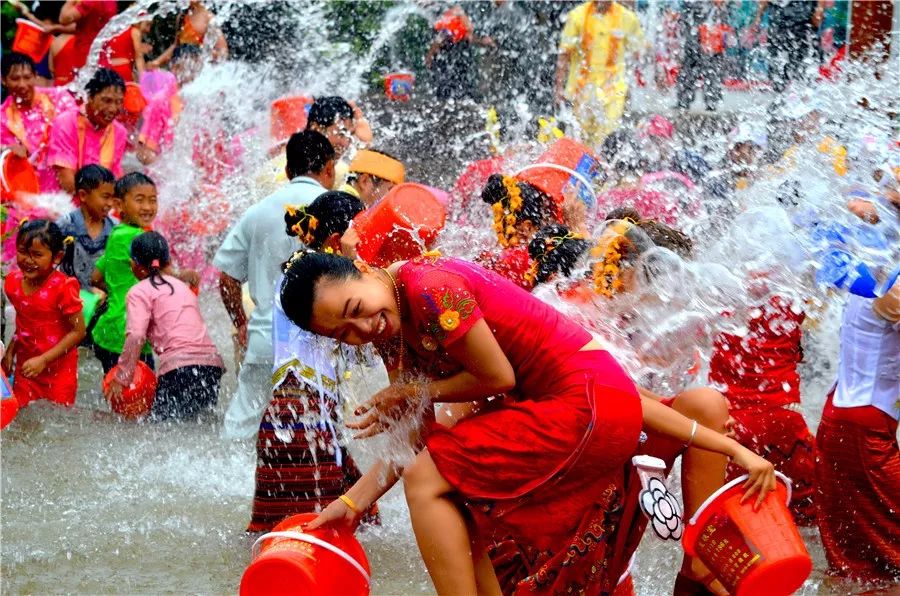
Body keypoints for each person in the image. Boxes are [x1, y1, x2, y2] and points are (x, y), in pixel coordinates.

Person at [280, 252, 775, 594]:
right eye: (343, 334)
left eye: (355, 310)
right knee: (442, 483)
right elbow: (417, 436)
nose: (362, 329)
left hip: (584, 409)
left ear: (364, 268)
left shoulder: (431, 289)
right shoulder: (392, 323)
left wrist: (415, 392)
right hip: (583, 411)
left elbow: (497, 376)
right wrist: (352, 503)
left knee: (432, 479)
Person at [247, 191, 373, 531]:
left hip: (298, 418)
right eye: (361, 235)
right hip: (304, 422)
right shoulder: (314, 281)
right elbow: (365, 344)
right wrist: (354, 263)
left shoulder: (300, 274)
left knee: (340, 521)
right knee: (324, 531)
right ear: (336, 240)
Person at [213, 130, 335, 440]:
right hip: (319, 342)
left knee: (242, 425)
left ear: (288, 170)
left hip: (265, 338)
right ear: (329, 168)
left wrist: (241, 323)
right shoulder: (338, 210)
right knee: (319, 428)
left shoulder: (257, 212)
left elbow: (227, 278)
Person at [816, 280, 899, 582]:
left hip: (851, 424)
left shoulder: (874, 264)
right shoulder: (889, 279)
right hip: (860, 435)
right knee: (869, 569)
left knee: (861, 570)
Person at [105, 232, 225, 421]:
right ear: (168, 261)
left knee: (160, 428)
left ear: (134, 265)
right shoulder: (181, 286)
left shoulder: (138, 291)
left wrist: (122, 377)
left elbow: (136, 336)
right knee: (198, 424)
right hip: (211, 366)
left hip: (179, 368)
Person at [1, 220, 85, 407]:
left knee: (58, 418)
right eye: (22, 252)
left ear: (57, 256)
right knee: (22, 413)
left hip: (59, 372)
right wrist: (10, 352)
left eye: (37, 255)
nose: (28, 260)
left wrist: (44, 360)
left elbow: (79, 331)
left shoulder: (64, 288)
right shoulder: (13, 283)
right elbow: (25, 323)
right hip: (27, 368)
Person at [90, 173, 160, 374]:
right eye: (140, 200)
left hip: (108, 330)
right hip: (129, 332)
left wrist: (119, 292)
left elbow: (95, 278)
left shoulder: (116, 234)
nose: (147, 207)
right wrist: (185, 278)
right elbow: (163, 279)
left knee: (115, 388)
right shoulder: (141, 238)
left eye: (152, 200)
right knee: (143, 389)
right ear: (119, 205)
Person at [555, 0, 644, 144]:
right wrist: (559, 88)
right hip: (581, 90)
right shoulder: (577, 15)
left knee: (607, 136)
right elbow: (564, 54)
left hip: (613, 90)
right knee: (582, 138)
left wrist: (631, 85)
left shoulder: (627, 17)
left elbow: (639, 53)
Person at [1, 52, 77, 193]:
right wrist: (7, 149)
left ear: (36, 76)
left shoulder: (58, 97)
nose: (22, 84)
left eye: (27, 77)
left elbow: (79, 130)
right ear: (3, 80)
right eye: (15, 79)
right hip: (32, 188)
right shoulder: (2, 117)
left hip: (68, 176)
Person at [47, 68, 128, 194]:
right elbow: (67, 183)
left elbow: (114, 179)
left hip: (99, 201)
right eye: (107, 101)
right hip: (60, 200)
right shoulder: (66, 123)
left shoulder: (120, 132)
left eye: (119, 102)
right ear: (90, 97)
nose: (113, 109)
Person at [136, 45, 205, 165]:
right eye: (191, 67)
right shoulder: (160, 103)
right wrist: (171, 167)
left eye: (198, 68)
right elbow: (145, 153)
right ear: (175, 68)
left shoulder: (199, 102)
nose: (195, 74)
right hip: (165, 169)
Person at [56, 164, 117, 290]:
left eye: (113, 198)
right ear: (83, 195)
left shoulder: (115, 229)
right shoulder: (65, 225)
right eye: (105, 197)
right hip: (69, 294)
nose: (110, 203)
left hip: (103, 295)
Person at [754, 0, 825, 92]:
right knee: (778, 65)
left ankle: (802, 89)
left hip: (801, 14)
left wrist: (819, 9)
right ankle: (782, 89)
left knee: (803, 61)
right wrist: (758, 16)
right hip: (779, 16)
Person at [676, 0, 731, 111]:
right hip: (695, 20)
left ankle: (710, 100)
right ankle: (685, 99)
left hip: (709, 20)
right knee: (692, 61)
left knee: (710, 64)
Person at [149, 1, 229, 68]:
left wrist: (203, 54)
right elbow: (175, 45)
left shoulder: (208, 17)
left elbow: (223, 50)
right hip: (179, 67)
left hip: (196, 69)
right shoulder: (182, 16)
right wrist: (157, 62)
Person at [57, 0, 118, 85]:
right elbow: (89, 27)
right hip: (102, 59)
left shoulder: (90, 2)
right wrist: (55, 28)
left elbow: (63, 18)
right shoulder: (111, 2)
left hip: (85, 58)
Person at [340, 149, 405, 206]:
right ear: (364, 181)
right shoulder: (351, 209)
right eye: (390, 190)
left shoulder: (340, 201)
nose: (393, 199)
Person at [99, 19, 152, 83]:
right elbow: (139, 58)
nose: (148, 30)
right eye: (147, 25)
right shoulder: (135, 31)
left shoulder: (115, 30)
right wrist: (144, 79)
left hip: (107, 71)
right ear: (139, 21)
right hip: (123, 70)